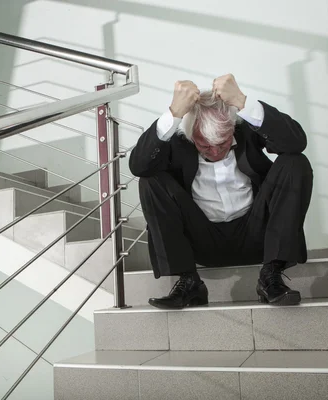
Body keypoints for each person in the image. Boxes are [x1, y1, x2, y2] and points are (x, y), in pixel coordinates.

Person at [129, 74, 313, 309]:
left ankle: (271, 275)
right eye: (204, 145)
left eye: (223, 143)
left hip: (257, 235)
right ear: (190, 134)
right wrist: (174, 112)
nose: (215, 152)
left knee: (295, 162)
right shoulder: (178, 141)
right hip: (203, 240)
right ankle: (189, 281)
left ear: (233, 129)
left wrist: (243, 102)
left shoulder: (246, 130)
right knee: (150, 179)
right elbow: (138, 166)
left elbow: (296, 142)